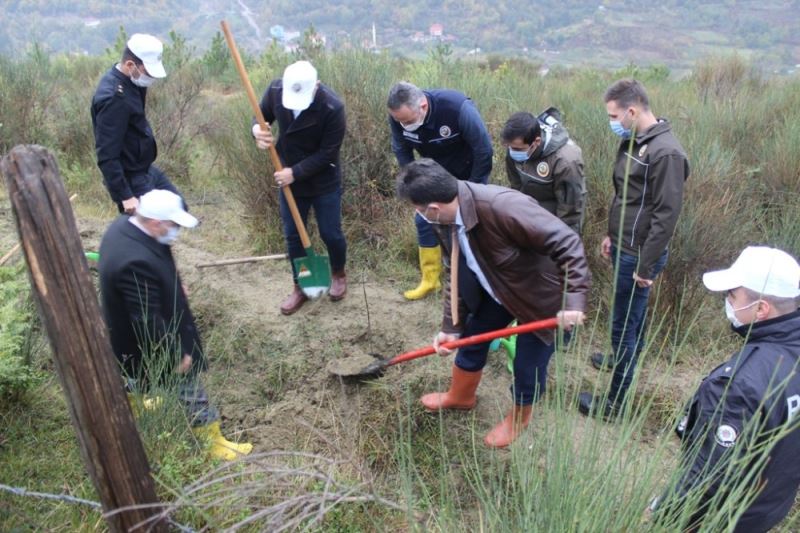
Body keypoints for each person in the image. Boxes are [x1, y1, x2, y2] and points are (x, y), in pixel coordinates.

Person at [395, 158, 590, 448]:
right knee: (471, 338)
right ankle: (460, 396)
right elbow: (455, 271)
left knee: (527, 365)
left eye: (418, 211)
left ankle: (518, 420)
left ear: (433, 208)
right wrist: (451, 326)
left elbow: (568, 243)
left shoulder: (502, 207)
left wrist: (573, 300)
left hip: (540, 299)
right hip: (500, 289)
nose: (419, 216)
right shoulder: (445, 218)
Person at [652, 246, 800, 532]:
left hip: (721, 518)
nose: (727, 300)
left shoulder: (739, 386)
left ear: (761, 309)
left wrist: (663, 512)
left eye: (732, 295)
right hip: (767, 507)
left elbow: (708, 477)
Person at [98, 190, 252, 461]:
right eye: (174, 225)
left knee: (132, 370)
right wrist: (174, 354)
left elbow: (155, 265)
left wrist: (171, 282)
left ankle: (133, 405)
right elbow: (146, 318)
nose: (177, 231)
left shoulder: (126, 227)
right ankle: (213, 444)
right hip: (148, 337)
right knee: (188, 386)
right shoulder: (134, 261)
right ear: (156, 222)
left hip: (123, 330)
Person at [579, 79, 689, 418]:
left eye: (614, 115)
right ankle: (618, 357)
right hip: (624, 246)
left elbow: (665, 216)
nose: (611, 121)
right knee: (628, 316)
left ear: (632, 110)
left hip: (640, 255)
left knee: (625, 325)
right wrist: (613, 234)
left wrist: (645, 265)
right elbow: (628, 196)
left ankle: (614, 404)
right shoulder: (634, 141)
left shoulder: (665, 152)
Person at [252, 60, 348, 315]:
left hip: (322, 179)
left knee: (331, 233)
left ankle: (338, 273)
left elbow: (328, 152)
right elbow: (260, 115)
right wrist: (257, 132)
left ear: (316, 86)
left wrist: (295, 172)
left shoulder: (332, 107)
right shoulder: (275, 90)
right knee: (294, 236)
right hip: (288, 176)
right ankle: (301, 285)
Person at [387, 81, 493, 301]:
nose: (403, 125)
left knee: (468, 224)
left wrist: (473, 189)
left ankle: (475, 278)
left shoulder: (456, 108)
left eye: (407, 120)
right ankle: (430, 280)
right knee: (423, 219)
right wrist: (414, 183)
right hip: (433, 175)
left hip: (468, 172)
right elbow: (401, 149)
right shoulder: (398, 117)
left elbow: (483, 150)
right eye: (399, 121)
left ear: (423, 106)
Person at [91, 33, 184, 214]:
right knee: (150, 228)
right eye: (148, 72)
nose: (151, 77)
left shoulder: (133, 83)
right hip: (131, 179)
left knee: (178, 207)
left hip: (145, 169)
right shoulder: (114, 99)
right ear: (130, 65)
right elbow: (106, 155)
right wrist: (125, 196)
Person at [501, 108, 586, 234]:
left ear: (536, 142)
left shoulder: (566, 161)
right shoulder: (515, 147)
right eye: (510, 147)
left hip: (556, 221)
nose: (513, 152)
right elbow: (516, 186)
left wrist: (562, 242)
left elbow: (570, 211)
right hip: (530, 218)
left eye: (518, 149)